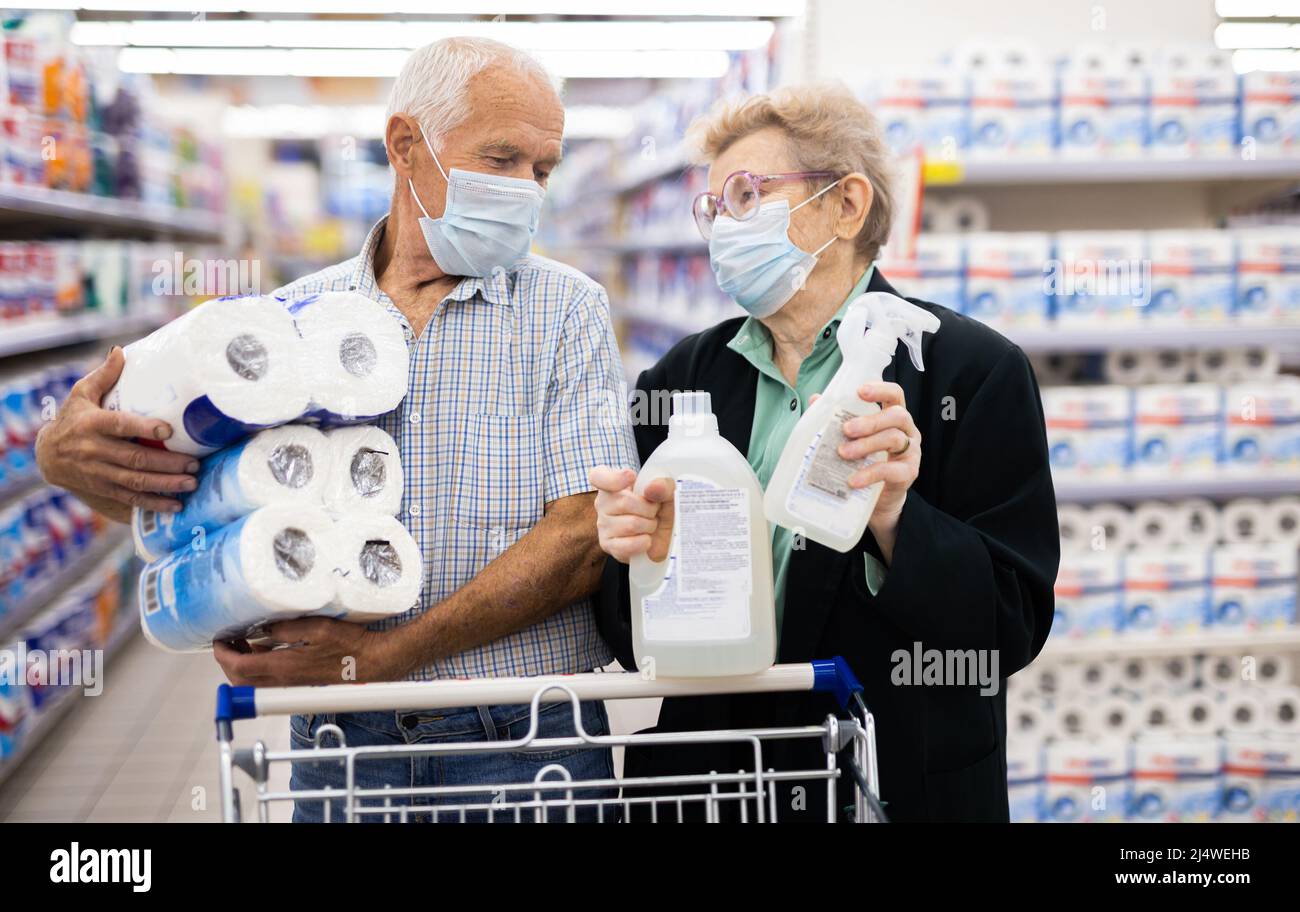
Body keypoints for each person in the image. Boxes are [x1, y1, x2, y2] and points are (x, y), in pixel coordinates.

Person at [35, 38, 637, 822]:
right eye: (502, 158)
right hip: (341, 741)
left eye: (543, 169)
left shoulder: (569, 311)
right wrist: (68, 458)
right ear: (405, 146)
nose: (526, 189)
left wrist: (382, 658)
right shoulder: (292, 323)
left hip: (523, 732)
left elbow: (579, 539)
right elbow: (210, 501)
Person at [589, 84, 1059, 822]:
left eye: (747, 195)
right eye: (713, 208)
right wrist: (636, 562)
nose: (722, 229)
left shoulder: (970, 371)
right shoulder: (683, 378)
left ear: (846, 205)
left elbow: (1009, 626)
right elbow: (627, 630)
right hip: (717, 781)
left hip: (893, 776)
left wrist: (897, 517)